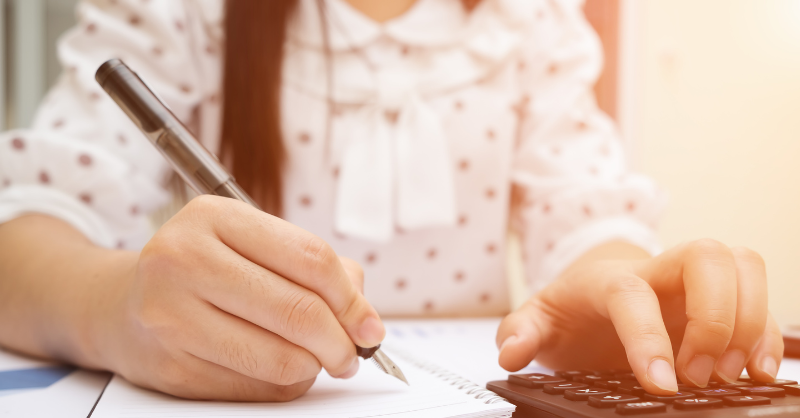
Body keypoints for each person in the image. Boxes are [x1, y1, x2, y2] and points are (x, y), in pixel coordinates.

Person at [0, 0, 783, 402]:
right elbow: (25, 236)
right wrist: (116, 312)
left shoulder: (531, 18)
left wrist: (624, 292)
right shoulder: (188, 11)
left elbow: (586, 220)